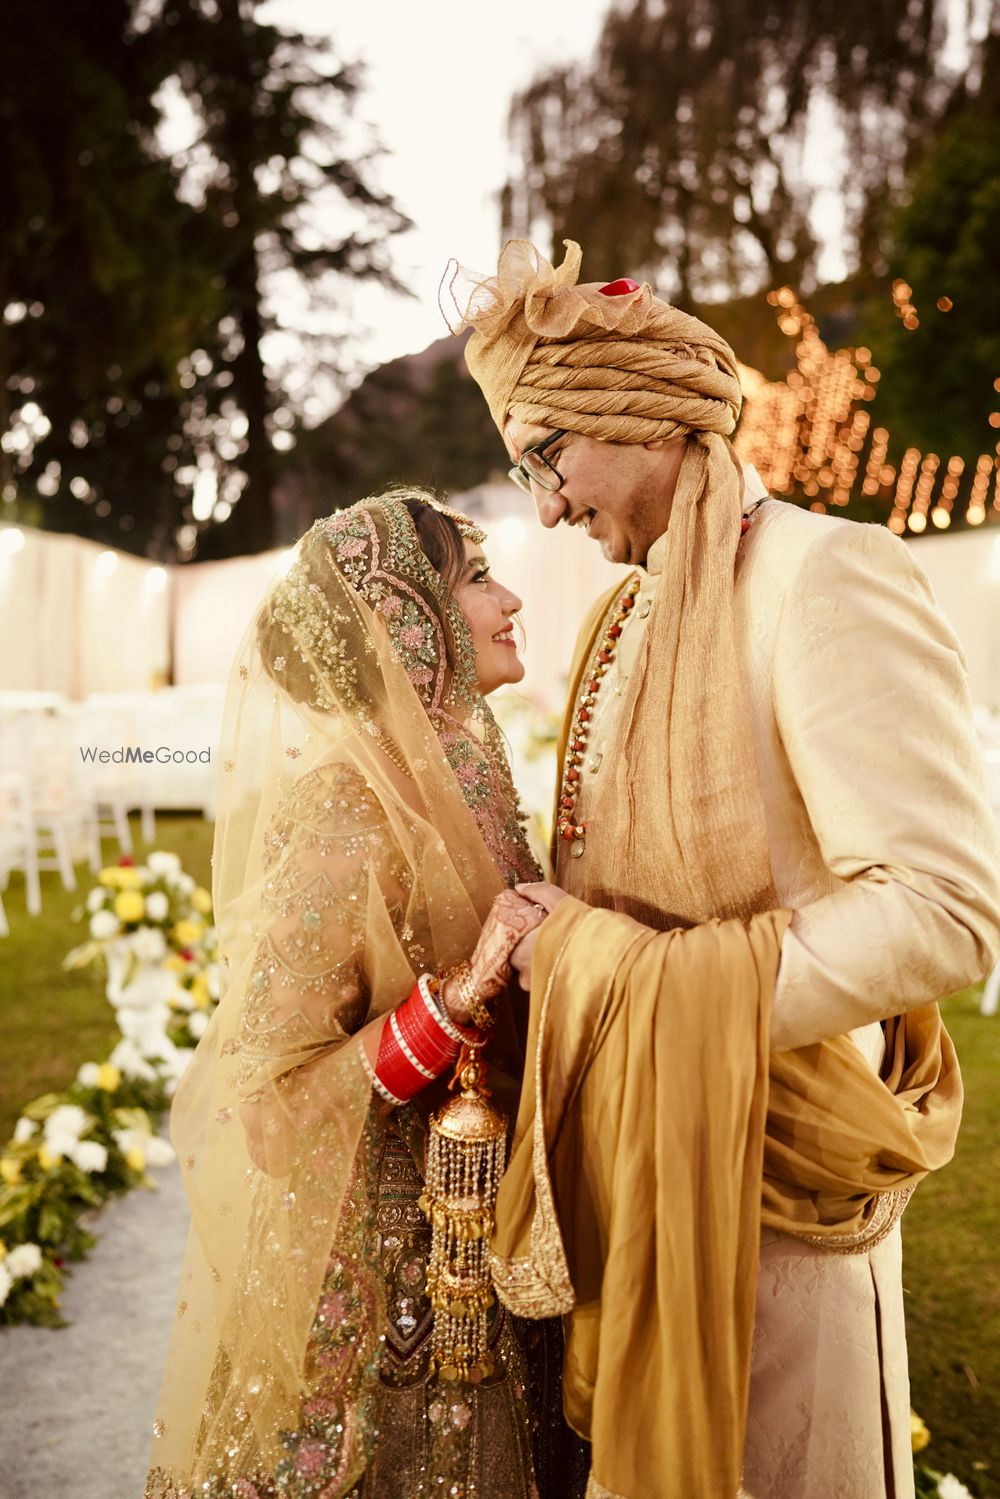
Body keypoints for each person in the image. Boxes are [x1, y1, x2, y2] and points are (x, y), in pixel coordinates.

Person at [446, 240, 1000, 1499]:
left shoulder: (822, 573)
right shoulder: (626, 609)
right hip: (653, 1157)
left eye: (548, 457)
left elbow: (944, 912)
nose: (542, 506)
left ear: (637, 421)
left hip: (781, 1174)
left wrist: (624, 974)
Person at [145, 488, 590, 1499]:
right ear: (404, 622)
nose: (510, 595)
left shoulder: (465, 764)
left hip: (502, 1227)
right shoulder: (346, 808)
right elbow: (269, 1106)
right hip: (394, 1277)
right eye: (476, 578)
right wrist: (465, 989)